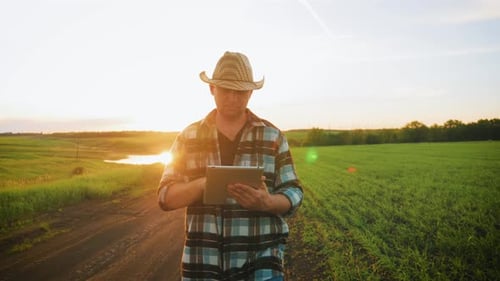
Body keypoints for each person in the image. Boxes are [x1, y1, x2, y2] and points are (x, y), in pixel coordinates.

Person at [157, 51, 303, 281]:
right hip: (203, 264)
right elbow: (165, 197)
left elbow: (294, 192)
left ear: (251, 92)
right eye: (226, 90)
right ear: (212, 89)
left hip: (262, 262)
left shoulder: (273, 136)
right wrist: (204, 184)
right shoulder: (188, 137)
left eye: (241, 91)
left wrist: (267, 202)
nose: (233, 98)